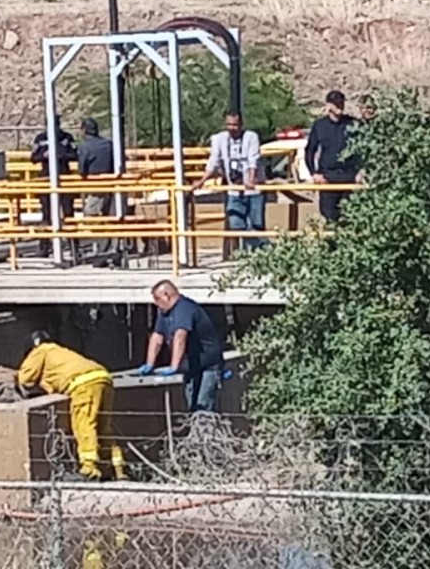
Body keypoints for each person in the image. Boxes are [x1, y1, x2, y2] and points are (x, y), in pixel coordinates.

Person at [17, 331, 127, 481]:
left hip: (83, 384)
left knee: (84, 424)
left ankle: (89, 469)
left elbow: (26, 378)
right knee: (104, 427)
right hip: (103, 377)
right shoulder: (61, 352)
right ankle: (118, 469)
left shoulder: (41, 350)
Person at [139, 280, 226, 413]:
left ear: (167, 295)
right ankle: (195, 430)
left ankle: (206, 432)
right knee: (191, 402)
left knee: (203, 404)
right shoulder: (164, 312)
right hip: (191, 365)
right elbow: (157, 336)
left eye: (157, 299)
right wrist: (149, 364)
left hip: (208, 364)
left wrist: (174, 366)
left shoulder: (184, 308)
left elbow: (180, 336)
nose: (156, 303)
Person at [193, 110, 265, 253]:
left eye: (235, 125)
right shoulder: (220, 139)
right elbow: (213, 161)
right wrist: (201, 181)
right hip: (234, 188)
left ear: (241, 124)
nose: (233, 128)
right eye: (229, 124)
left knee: (257, 224)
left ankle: (258, 255)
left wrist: (250, 180)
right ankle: (266, 249)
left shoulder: (251, 137)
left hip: (253, 189)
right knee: (236, 223)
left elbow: (253, 160)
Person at [305, 90, 359, 223]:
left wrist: (361, 171)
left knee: (350, 218)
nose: (339, 106)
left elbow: (362, 148)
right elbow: (309, 151)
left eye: (341, 103)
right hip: (328, 179)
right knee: (329, 218)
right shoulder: (320, 125)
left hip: (349, 177)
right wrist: (314, 173)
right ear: (329, 105)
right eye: (336, 104)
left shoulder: (353, 124)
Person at [30, 116, 79, 256]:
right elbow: (33, 158)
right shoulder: (40, 138)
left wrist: (61, 155)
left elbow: (75, 154)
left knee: (69, 214)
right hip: (46, 180)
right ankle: (44, 247)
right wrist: (44, 155)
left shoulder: (67, 137)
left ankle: (73, 246)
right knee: (46, 215)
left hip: (64, 181)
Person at [78, 118, 118, 267]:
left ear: (84, 130)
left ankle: (102, 250)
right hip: (111, 185)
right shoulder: (108, 144)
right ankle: (109, 248)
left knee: (91, 215)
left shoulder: (85, 146)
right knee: (110, 218)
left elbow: (82, 169)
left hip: (95, 186)